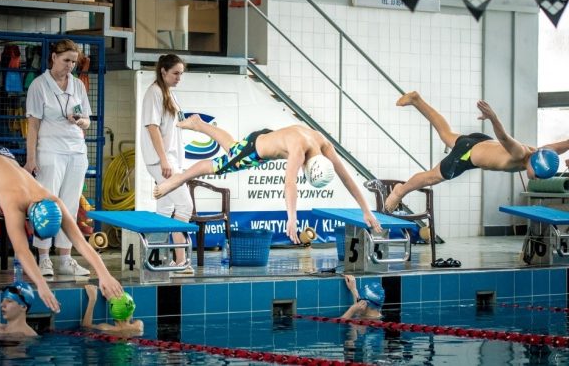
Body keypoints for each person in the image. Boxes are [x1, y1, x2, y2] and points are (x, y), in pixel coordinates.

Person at [0, 130, 123, 312]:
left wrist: (105, 275)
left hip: (1, 160)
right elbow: (22, 251)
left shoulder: (52, 201)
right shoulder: (13, 203)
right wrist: (41, 285)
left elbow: (80, 242)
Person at [153, 115, 382, 243]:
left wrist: (366, 211)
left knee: (232, 148)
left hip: (266, 139)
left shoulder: (323, 144)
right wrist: (292, 218)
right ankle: (178, 179)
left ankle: (198, 124)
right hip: (257, 149)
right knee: (218, 166)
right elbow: (289, 183)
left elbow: (346, 178)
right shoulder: (300, 150)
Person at [384, 91, 565, 212]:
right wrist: (493, 118)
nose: (536, 179)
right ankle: (400, 191)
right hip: (468, 155)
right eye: (537, 175)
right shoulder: (520, 153)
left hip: (480, 142)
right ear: (534, 163)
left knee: (446, 134)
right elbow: (504, 138)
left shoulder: (543, 152)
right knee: (433, 177)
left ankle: (416, 100)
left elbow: (564, 144)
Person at [24, 39, 92, 277]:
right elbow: (33, 126)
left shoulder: (78, 85)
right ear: (53, 57)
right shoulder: (39, 85)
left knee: (70, 206)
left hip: (76, 152)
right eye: (66, 60)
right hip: (50, 151)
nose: (70, 66)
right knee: (46, 206)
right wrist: (31, 159)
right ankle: (43, 257)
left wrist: (80, 121)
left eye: (74, 62)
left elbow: (88, 120)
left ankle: (65, 258)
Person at [141, 54, 194, 273]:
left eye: (181, 74)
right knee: (185, 206)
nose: (179, 78)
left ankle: (154, 258)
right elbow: (152, 128)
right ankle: (180, 260)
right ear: (163, 71)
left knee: (165, 208)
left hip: (171, 159)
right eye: (175, 73)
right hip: (161, 160)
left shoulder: (169, 93)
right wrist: (164, 160)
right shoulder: (154, 92)